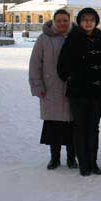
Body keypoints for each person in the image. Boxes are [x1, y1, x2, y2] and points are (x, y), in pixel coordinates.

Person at [57, 8, 101, 176]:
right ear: (80, 22)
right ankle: (83, 163)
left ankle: (93, 162)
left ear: (96, 22)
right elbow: (62, 67)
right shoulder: (72, 39)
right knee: (80, 127)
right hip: (79, 92)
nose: (88, 22)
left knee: (93, 127)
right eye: (85, 20)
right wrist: (73, 78)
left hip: (97, 92)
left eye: (91, 20)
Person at [29, 9, 77, 170]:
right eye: (59, 20)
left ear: (69, 21)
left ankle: (72, 158)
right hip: (51, 90)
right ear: (54, 21)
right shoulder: (44, 39)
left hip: (72, 89)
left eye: (65, 20)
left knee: (72, 125)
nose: (62, 23)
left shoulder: (76, 36)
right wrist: (38, 86)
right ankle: (54, 158)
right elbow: (35, 64)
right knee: (53, 125)